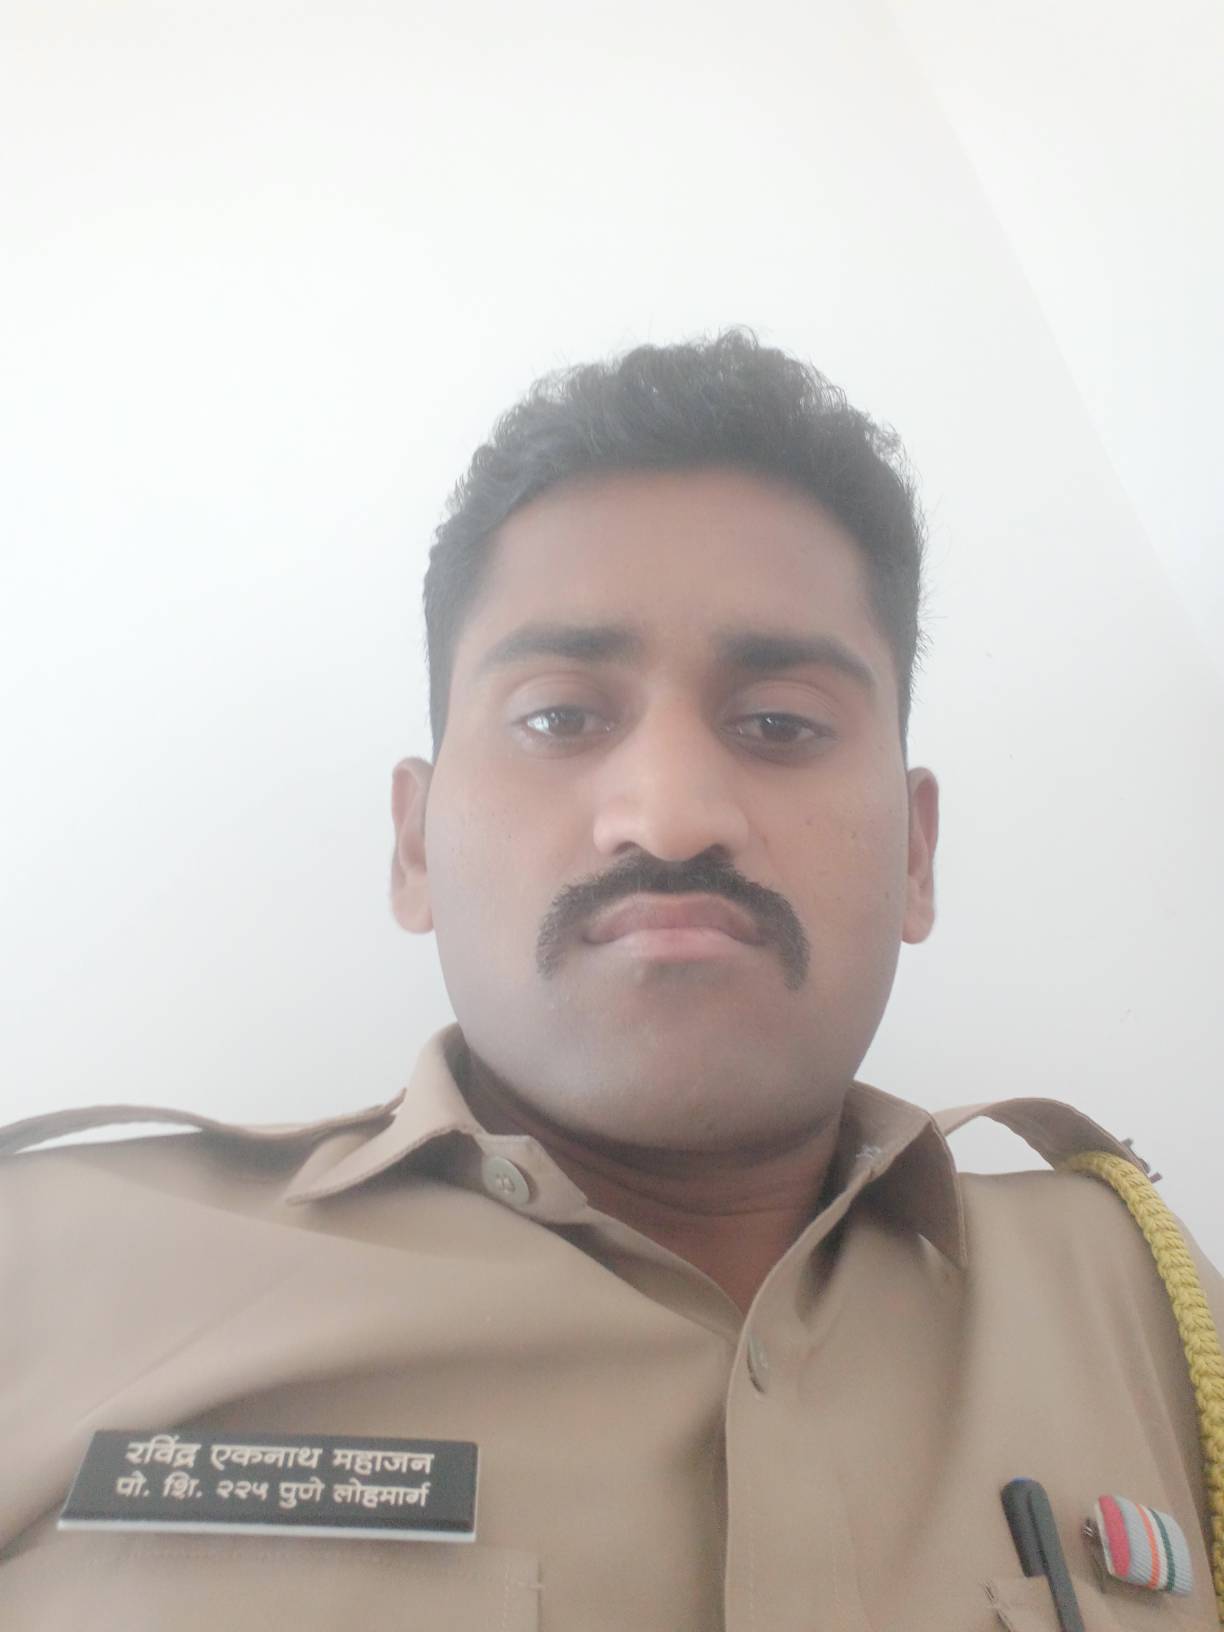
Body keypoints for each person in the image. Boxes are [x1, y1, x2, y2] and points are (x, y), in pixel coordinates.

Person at [2, 327, 1220, 1631]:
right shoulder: (44, 1272)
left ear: (917, 854)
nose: (672, 814)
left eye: (779, 724)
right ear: (414, 845)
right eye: (561, 717)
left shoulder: (1142, 1302)